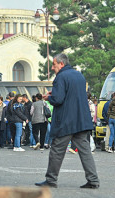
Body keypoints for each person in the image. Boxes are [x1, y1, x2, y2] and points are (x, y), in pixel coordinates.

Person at [35, 53, 99, 189]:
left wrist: (48, 98)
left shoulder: (61, 77)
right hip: (81, 120)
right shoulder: (79, 76)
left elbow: (58, 99)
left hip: (66, 121)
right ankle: (93, 180)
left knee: (57, 150)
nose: (53, 68)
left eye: (54, 64)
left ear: (61, 64)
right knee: (85, 150)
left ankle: (51, 179)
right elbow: (72, 94)